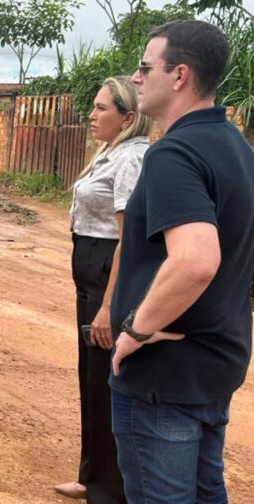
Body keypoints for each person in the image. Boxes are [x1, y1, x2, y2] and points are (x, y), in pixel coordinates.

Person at [109, 20, 254, 503]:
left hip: (163, 377)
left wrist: (136, 330)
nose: (135, 78)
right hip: (216, 365)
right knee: (206, 491)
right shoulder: (237, 148)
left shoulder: (175, 152)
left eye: (145, 67)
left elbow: (196, 261)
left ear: (179, 76)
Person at [55, 76, 151, 503]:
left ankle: (109, 491)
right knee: (91, 381)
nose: (91, 115)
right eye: (92, 107)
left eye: (101, 108)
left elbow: (129, 239)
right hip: (90, 274)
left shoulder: (132, 158)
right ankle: (91, 476)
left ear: (127, 117)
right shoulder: (108, 153)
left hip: (106, 279)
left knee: (104, 385)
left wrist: (108, 307)